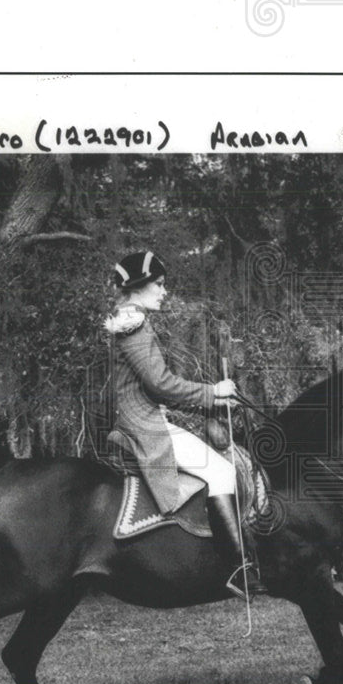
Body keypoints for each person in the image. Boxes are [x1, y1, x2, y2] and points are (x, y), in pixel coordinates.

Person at [105, 250, 261, 599]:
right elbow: (160, 383)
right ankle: (239, 569)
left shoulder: (130, 320)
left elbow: (158, 387)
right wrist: (212, 391)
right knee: (220, 471)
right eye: (158, 285)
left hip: (147, 416)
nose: (164, 292)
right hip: (144, 424)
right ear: (138, 286)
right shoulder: (133, 324)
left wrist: (215, 400)